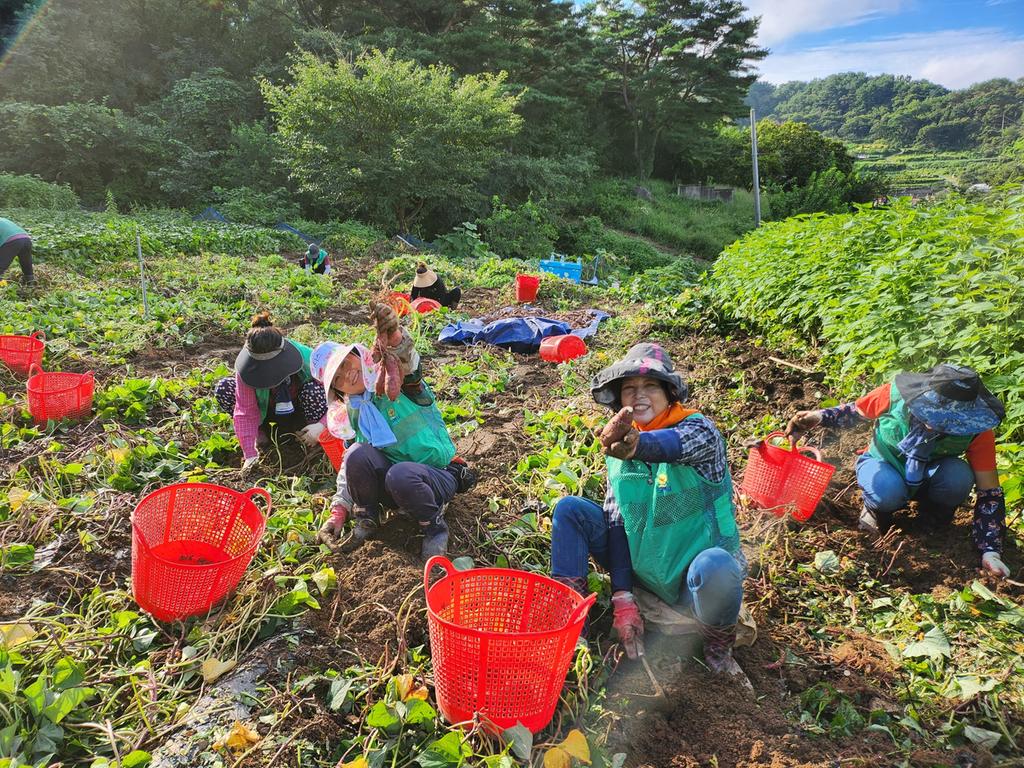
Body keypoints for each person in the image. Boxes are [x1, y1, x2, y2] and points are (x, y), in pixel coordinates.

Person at [550, 343, 748, 681]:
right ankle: (569, 631)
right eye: (629, 389)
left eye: (650, 387)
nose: (639, 395)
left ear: (669, 393)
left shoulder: (700, 431)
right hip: (643, 564)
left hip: (692, 576)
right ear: (619, 399)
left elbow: (671, 445)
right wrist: (623, 597)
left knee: (717, 565)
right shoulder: (618, 444)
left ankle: (718, 649)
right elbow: (615, 519)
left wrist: (638, 446)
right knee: (570, 510)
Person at [786, 364, 1011, 579]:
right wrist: (818, 417)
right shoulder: (893, 396)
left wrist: (991, 551)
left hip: (930, 475)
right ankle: (877, 512)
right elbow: (855, 412)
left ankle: (933, 517)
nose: (934, 425)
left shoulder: (977, 429)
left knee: (959, 477)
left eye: (949, 422)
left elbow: (989, 491)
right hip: (884, 463)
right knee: (886, 491)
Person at [315, 303, 476, 559]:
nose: (348, 374)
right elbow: (350, 468)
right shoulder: (355, 413)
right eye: (338, 379)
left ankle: (434, 528)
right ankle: (367, 519)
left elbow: (409, 365)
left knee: (400, 473)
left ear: (361, 355)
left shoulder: (403, 385)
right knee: (356, 453)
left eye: (348, 362)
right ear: (338, 392)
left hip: (436, 477)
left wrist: (395, 339)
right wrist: (338, 511)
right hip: (396, 487)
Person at [214, 312, 328, 472]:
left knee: (314, 391)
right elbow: (244, 411)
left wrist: (322, 426)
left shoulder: (308, 358)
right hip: (267, 415)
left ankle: (310, 442)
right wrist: (250, 454)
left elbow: (340, 396)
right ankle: (261, 436)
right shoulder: (246, 371)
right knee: (225, 388)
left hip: (300, 414)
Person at [0, 217, 35, 285]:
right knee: (26, 264)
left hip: (12, 241)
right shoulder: (2, 219)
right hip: (26, 239)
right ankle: (30, 285)